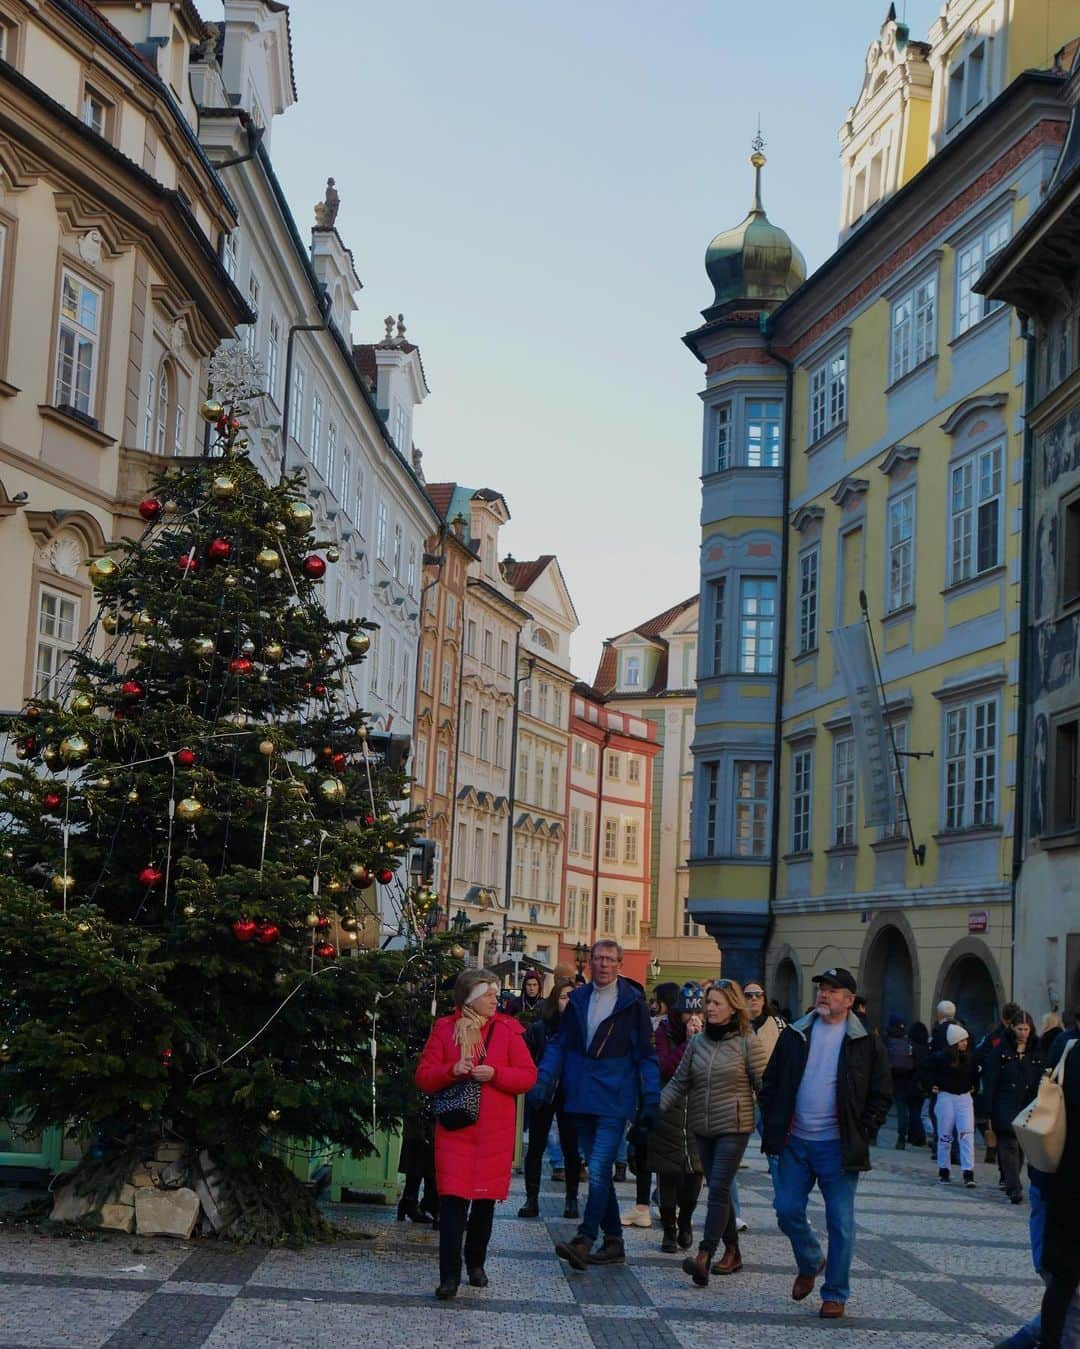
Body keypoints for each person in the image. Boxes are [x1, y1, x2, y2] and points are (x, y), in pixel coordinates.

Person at [760, 965, 892, 1320]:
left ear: (849, 1001)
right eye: (822, 988)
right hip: (795, 1141)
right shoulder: (796, 1034)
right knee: (786, 1209)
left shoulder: (865, 1039)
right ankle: (810, 1259)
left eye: (833, 990)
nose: (824, 994)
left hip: (837, 1145)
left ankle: (835, 1293)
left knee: (841, 1221)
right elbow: (771, 1082)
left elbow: (882, 1091)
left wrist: (864, 1129)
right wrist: (771, 1122)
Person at [531, 938, 660, 1271]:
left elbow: (647, 1055)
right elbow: (560, 1044)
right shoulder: (578, 999)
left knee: (600, 1168)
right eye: (597, 958)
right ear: (589, 963)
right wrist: (544, 1079)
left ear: (620, 963)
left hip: (614, 1097)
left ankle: (585, 1239)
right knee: (598, 1168)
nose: (602, 964)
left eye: (609, 959)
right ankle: (614, 1240)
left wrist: (651, 1098)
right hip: (579, 1094)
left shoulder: (633, 1003)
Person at [414, 969, 537, 1300]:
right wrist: (450, 1070)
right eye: (488, 994)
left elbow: (527, 1076)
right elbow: (424, 1076)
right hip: (456, 1129)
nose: (495, 999)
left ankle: (476, 1265)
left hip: (494, 1133)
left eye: (495, 994)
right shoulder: (445, 1029)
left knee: (484, 1203)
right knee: (452, 1204)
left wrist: (496, 1074)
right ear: (469, 998)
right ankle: (449, 1276)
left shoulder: (509, 1030)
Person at [662, 979, 767, 1286]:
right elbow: (679, 1082)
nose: (709, 1008)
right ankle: (733, 1251)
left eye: (716, 1003)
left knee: (718, 1187)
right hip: (703, 1126)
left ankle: (704, 1255)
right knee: (721, 1190)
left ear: (733, 1008)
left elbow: (763, 1085)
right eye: (708, 1002)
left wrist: (774, 1126)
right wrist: (652, 1110)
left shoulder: (748, 1042)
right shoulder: (697, 1043)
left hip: (734, 1126)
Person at [519, 978, 581, 1220]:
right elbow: (525, 1056)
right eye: (565, 997)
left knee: (571, 1149)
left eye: (573, 997)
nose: (569, 1002)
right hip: (543, 1094)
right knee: (535, 1147)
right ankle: (531, 1198)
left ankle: (572, 1198)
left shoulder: (582, 1029)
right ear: (556, 1000)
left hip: (570, 1095)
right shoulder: (540, 1028)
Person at [622, 980, 682, 1231]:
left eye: (657, 1002)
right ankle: (644, 1206)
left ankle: (665, 1208)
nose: (653, 1006)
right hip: (655, 1098)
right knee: (645, 1152)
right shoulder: (662, 1028)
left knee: (662, 1156)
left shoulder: (664, 1030)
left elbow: (662, 1065)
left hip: (665, 1100)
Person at [650, 983, 705, 1253]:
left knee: (695, 1175)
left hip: (698, 1111)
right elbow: (665, 1067)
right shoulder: (665, 1032)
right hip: (670, 1109)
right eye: (687, 1013)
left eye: (698, 1013)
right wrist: (687, 1042)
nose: (692, 1019)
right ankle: (669, 1229)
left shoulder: (712, 1034)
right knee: (668, 1173)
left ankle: (686, 1220)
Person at [981, 1011, 1043, 1204]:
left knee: (1021, 1146)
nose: (1023, 1033)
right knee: (1008, 1145)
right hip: (1004, 1103)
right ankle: (1013, 1186)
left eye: (1026, 1029)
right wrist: (988, 1108)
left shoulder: (1036, 1050)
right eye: (1019, 1029)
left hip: (1027, 1103)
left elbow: (1041, 1076)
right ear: (1012, 1028)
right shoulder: (1000, 1051)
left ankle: (1011, 1180)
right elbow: (990, 1080)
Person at [920, 1022, 979, 1187]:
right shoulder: (940, 1058)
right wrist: (930, 1085)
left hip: (964, 1098)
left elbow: (976, 1075)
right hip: (946, 1097)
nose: (965, 1043)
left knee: (967, 1134)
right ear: (954, 1042)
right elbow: (923, 1069)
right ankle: (944, 1169)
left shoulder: (970, 1058)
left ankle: (968, 1171)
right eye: (961, 1041)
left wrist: (975, 1087)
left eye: (965, 1040)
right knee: (945, 1135)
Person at [885, 1016, 916, 1149]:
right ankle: (901, 1137)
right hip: (905, 1077)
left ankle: (872, 1135)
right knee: (902, 1108)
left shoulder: (886, 1039)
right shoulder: (908, 1040)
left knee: (880, 1106)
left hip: (888, 1076)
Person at [907, 1022, 930, 1148]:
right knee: (920, 1109)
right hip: (924, 1082)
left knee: (914, 1110)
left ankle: (918, 1136)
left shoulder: (912, 1046)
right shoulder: (927, 1047)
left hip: (913, 1080)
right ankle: (915, 1135)